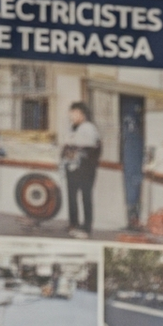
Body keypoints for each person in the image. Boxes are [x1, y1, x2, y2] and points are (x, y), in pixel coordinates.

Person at [60, 102, 101, 239]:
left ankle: (86, 227)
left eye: (75, 113)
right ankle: (73, 223)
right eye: (71, 113)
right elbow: (66, 144)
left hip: (85, 168)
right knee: (71, 196)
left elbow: (89, 146)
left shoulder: (89, 128)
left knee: (85, 196)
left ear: (82, 114)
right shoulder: (72, 127)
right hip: (71, 167)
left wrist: (72, 146)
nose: (71, 116)